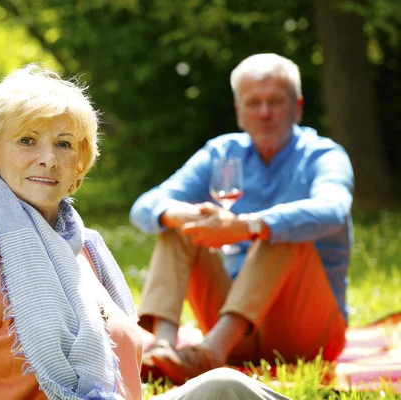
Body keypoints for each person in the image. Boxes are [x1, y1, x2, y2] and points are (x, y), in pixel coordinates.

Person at [0, 64, 291, 399]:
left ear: (80, 164)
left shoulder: (81, 247)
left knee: (228, 387)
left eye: (63, 144)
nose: (48, 160)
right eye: (26, 140)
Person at [130, 53, 354, 385]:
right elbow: (146, 206)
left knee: (279, 233)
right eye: (254, 103)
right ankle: (163, 347)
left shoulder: (323, 154)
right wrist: (192, 217)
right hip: (235, 336)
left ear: (298, 107)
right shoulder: (221, 153)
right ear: (239, 112)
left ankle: (207, 356)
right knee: (178, 228)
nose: (264, 113)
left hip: (308, 335)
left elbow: (333, 208)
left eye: (275, 102)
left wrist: (247, 226)